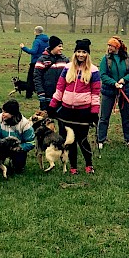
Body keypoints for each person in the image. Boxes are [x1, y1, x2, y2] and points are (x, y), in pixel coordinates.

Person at [49, 39, 100, 174]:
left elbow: (95, 93)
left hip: (83, 111)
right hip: (66, 111)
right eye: (78, 51)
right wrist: (52, 105)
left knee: (82, 140)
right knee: (69, 140)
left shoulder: (94, 70)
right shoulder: (67, 68)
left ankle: (89, 164)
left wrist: (94, 112)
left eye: (84, 52)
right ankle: (73, 166)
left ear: (87, 54)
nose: (80, 55)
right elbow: (60, 88)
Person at [96, 36, 129, 149]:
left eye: (111, 46)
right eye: (108, 45)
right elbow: (103, 75)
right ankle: (101, 139)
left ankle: (128, 139)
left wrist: (124, 79)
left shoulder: (127, 58)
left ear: (117, 47)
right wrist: (113, 83)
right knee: (104, 117)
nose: (109, 47)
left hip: (125, 91)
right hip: (109, 91)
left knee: (126, 117)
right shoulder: (106, 59)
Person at [0, 99, 36, 174]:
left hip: (17, 149)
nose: (3, 114)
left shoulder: (25, 124)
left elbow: (31, 142)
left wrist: (19, 148)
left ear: (13, 114)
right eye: (3, 111)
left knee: (18, 168)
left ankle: (16, 165)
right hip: (1, 147)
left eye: (6, 112)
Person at [33, 36, 68, 110]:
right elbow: (37, 77)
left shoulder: (65, 60)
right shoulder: (42, 60)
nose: (61, 48)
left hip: (61, 97)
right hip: (47, 96)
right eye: (59, 46)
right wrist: (41, 93)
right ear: (53, 47)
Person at [20, 26, 49, 100]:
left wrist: (23, 48)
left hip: (35, 62)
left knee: (30, 79)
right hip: (44, 62)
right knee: (42, 78)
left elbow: (33, 51)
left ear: (35, 32)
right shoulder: (47, 40)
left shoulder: (37, 41)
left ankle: (29, 94)